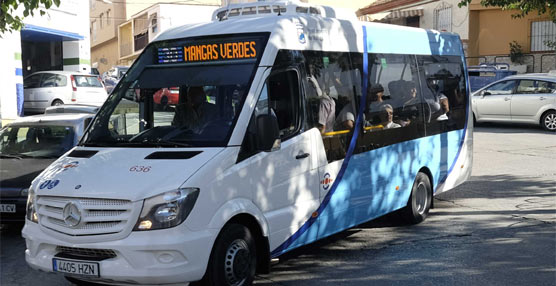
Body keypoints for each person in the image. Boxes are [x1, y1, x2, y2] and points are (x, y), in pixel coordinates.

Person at [308, 68, 336, 134]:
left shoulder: (324, 102)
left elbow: (322, 127)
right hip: (330, 134)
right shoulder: (330, 100)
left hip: (325, 136)